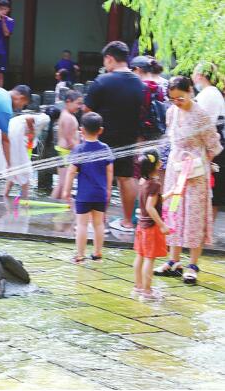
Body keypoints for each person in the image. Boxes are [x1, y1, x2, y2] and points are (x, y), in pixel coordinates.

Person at [154, 76, 222, 284]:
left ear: (191, 91)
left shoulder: (201, 115)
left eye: (180, 98)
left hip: (195, 173)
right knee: (173, 212)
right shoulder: (172, 112)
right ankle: (173, 260)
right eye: (173, 99)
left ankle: (192, 264)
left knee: (193, 216)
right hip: (176, 170)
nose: (177, 102)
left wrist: (200, 163)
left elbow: (214, 146)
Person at [85, 41, 145, 233]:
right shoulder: (139, 83)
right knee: (126, 178)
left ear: (109, 58)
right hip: (129, 137)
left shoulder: (102, 81)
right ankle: (128, 222)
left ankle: (99, 222)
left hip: (103, 137)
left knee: (100, 178)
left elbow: (88, 110)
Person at [63, 112, 114, 263]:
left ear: (82, 130)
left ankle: (80, 255)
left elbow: (71, 172)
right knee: (99, 224)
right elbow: (110, 170)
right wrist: (109, 189)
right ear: (101, 130)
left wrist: (66, 191)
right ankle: (97, 253)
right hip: (100, 193)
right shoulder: (105, 148)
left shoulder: (79, 149)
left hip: (84, 195)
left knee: (82, 225)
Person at [133, 150, 170, 300]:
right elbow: (150, 206)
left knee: (140, 256)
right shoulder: (155, 184)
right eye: (159, 160)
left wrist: (170, 194)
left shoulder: (143, 181)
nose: (161, 162)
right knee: (150, 258)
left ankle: (138, 287)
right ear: (155, 165)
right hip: (151, 227)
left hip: (141, 225)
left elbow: (153, 201)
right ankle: (147, 291)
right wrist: (162, 225)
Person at [192, 62, 225, 220]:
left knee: (211, 189)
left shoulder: (209, 94)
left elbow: (205, 124)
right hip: (212, 144)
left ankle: (205, 230)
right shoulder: (211, 93)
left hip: (212, 146)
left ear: (200, 75)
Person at [0, 84, 32, 170]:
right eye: (23, 105)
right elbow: (5, 139)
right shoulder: (6, 109)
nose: (20, 108)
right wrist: (9, 164)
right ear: (21, 98)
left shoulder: (0, 91)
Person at [52, 90, 83, 200]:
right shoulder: (69, 118)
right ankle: (59, 204)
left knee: (62, 182)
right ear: (68, 101)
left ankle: (53, 202)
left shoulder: (65, 115)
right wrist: (80, 152)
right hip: (66, 152)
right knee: (65, 184)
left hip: (62, 151)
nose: (80, 106)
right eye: (78, 103)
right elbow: (69, 139)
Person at [130, 55, 167, 141]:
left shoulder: (139, 87)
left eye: (132, 70)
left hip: (142, 134)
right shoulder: (159, 87)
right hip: (157, 131)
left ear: (138, 69)